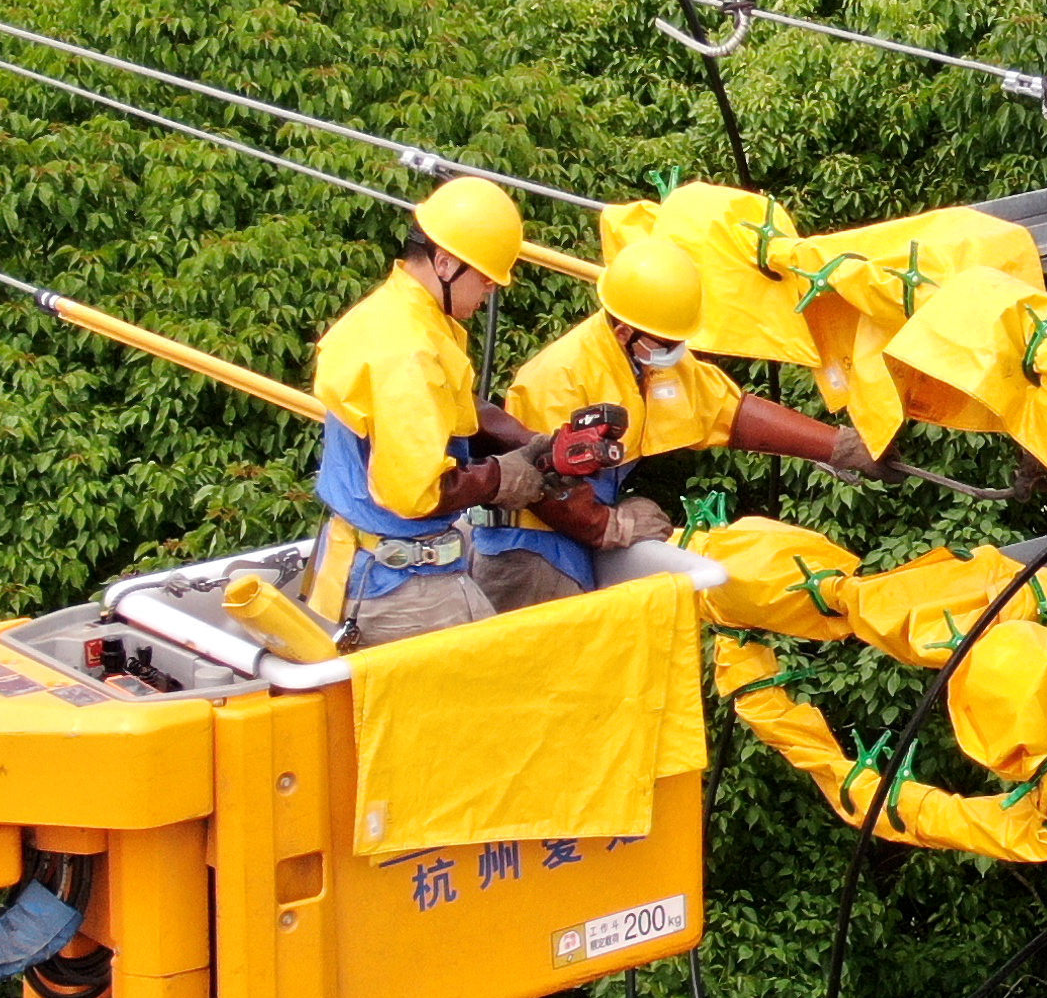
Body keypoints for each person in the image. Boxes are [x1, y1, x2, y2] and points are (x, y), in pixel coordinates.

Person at [486, 234, 888, 611]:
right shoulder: (561, 375)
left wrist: (841, 448)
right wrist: (614, 526)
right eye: (669, 344)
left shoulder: (648, 362)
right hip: (530, 550)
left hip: (579, 540)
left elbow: (732, 414)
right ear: (625, 331)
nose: (678, 352)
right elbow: (545, 480)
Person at [310, 177, 553, 647]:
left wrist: (529, 443)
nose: (488, 293)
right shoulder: (408, 353)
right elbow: (416, 494)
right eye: (484, 279)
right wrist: (501, 480)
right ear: (445, 263)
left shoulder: (397, 314)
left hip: (366, 564)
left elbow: (453, 407)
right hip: (402, 588)